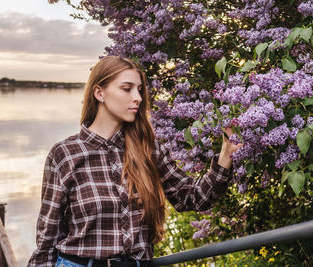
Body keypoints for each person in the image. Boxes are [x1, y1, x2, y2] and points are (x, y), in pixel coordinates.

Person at [27, 56, 241, 267]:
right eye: (127, 88)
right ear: (99, 92)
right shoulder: (65, 154)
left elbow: (193, 198)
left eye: (139, 89)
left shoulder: (148, 148)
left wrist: (226, 154)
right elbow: (48, 237)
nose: (138, 97)